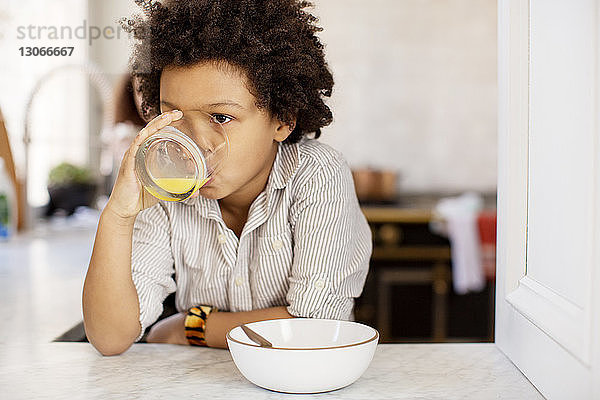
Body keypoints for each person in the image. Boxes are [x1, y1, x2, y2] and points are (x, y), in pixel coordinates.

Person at [82, 0, 372, 356]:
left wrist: (191, 326)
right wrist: (118, 216)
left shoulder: (317, 175)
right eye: (174, 115)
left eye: (220, 118)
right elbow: (110, 338)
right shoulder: (166, 190)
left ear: (283, 119)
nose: (194, 143)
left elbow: (314, 329)